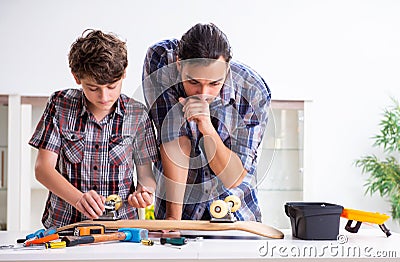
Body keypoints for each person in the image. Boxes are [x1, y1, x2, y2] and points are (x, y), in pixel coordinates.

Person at [29, 29, 158, 228]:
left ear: (124, 74)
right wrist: (79, 199)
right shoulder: (60, 105)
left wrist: (144, 192)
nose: (104, 96)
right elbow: (43, 169)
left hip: (121, 228)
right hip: (66, 225)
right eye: (93, 88)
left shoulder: (137, 114)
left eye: (112, 87)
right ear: (76, 78)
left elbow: (146, 176)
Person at [142, 23, 271, 222]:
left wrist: (207, 127)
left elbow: (233, 178)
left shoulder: (253, 92)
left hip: (236, 217)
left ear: (227, 68)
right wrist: (173, 221)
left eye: (214, 84)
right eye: (193, 82)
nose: (203, 94)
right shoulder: (161, 62)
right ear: (179, 64)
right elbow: (175, 140)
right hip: (180, 213)